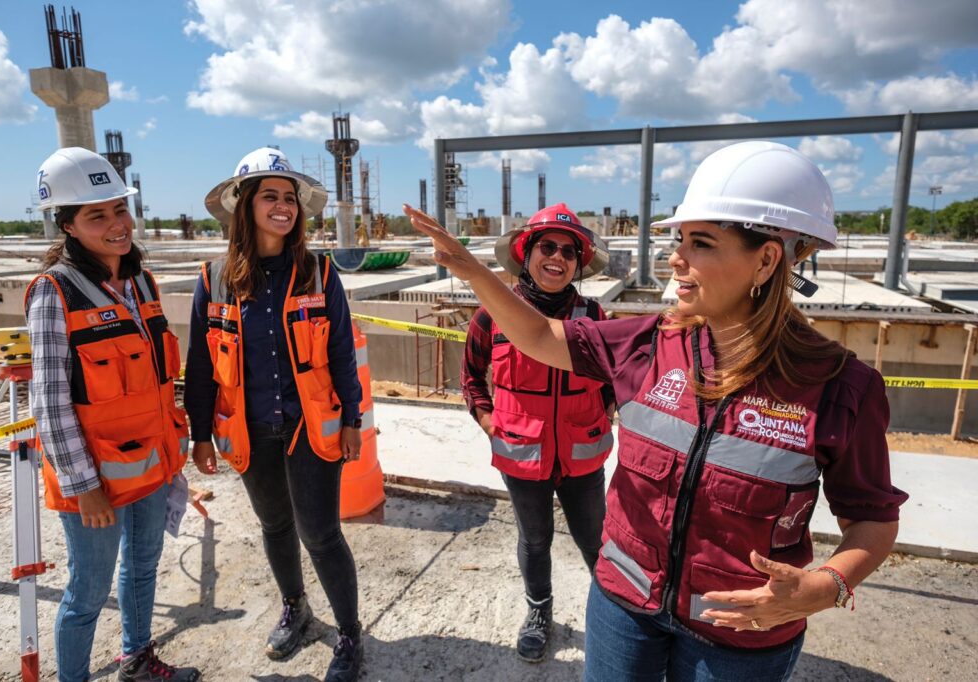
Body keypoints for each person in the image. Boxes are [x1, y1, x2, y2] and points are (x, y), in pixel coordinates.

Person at [405, 141, 907, 681]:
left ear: (766, 259)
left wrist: (826, 586)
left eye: (702, 243)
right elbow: (534, 333)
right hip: (624, 609)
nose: (675, 257)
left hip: (738, 631)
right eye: (680, 239)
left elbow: (872, 522)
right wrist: (470, 268)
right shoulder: (647, 342)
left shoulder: (839, 386)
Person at [185, 147, 365, 681]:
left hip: (310, 428)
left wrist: (352, 418)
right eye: (271, 196)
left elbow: (340, 353)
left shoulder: (318, 273)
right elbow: (200, 363)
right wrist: (199, 433)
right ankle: (297, 608)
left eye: (290, 198)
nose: (283, 206)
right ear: (245, 205)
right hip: (248, 431)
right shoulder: (213, 279)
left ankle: (350, 634)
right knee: (275, 526)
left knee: (322, 533)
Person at [26, 148, 200, 682]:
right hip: (95, 478)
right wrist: (84, 486)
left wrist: (174, 456)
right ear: (68, 226)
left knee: (143, 568)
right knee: (86, 592)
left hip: (150, 462)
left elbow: (155, 383)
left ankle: (137, 659)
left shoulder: (141, 283)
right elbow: (50, 402)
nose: (116, 225)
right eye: (96, 215)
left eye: (119, 209)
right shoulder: (54, 294)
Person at [461, 203, 615, 662]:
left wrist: (599, 415)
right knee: (534, 540)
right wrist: (491, 424)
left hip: (582, 455)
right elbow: (471, 378)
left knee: (596, 541)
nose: (558, 257)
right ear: (525, 253)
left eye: (569, 251)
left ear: (579, 264)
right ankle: (539, 611)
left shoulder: (594, 316)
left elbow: (615, 378)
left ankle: (613, 619)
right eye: (547, 247)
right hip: (522, 455)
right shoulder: (493, 314)